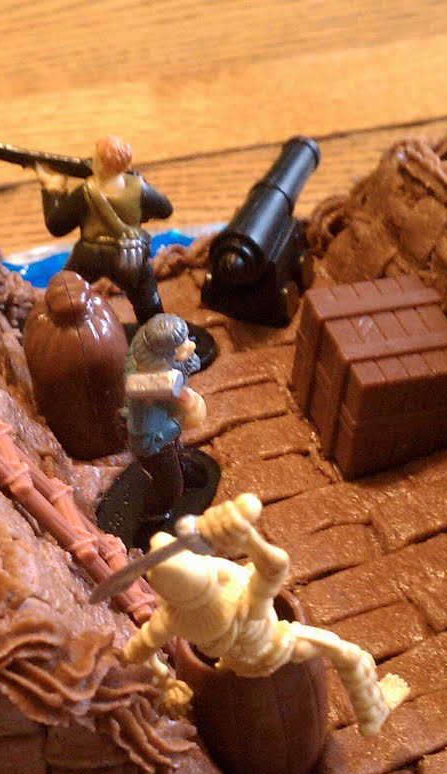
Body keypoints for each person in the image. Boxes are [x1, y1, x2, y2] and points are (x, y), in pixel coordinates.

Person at [122, 494, 408, 736]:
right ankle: (373, 714)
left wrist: (163, 680)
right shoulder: (245, 605)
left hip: (230, 666)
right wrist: (248, 539)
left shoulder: (170, 619)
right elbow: (276, 565)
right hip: (277, 650)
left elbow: (135, 651)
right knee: (350, 654)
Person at [36, 136, 174, 323]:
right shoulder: (139, 187)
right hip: (128, 255)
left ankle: (53, 329)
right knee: (147, 296)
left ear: (100, 164)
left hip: (89, 255)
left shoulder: (84, 192)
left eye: (94, 157)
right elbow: (165, 210)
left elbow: (57, 226)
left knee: (65, 290)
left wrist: (53, 188)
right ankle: (158, 331)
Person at [122, 313, 205, 520]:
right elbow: (142, 438)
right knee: (169, 485)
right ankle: (154, 513)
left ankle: (181, 468)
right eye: (180, 347)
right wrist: (179, 422)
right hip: (153, 444)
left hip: (165, 427)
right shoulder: (146, 394)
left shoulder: (155, 363)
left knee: (177, 450)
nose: (191, 347)